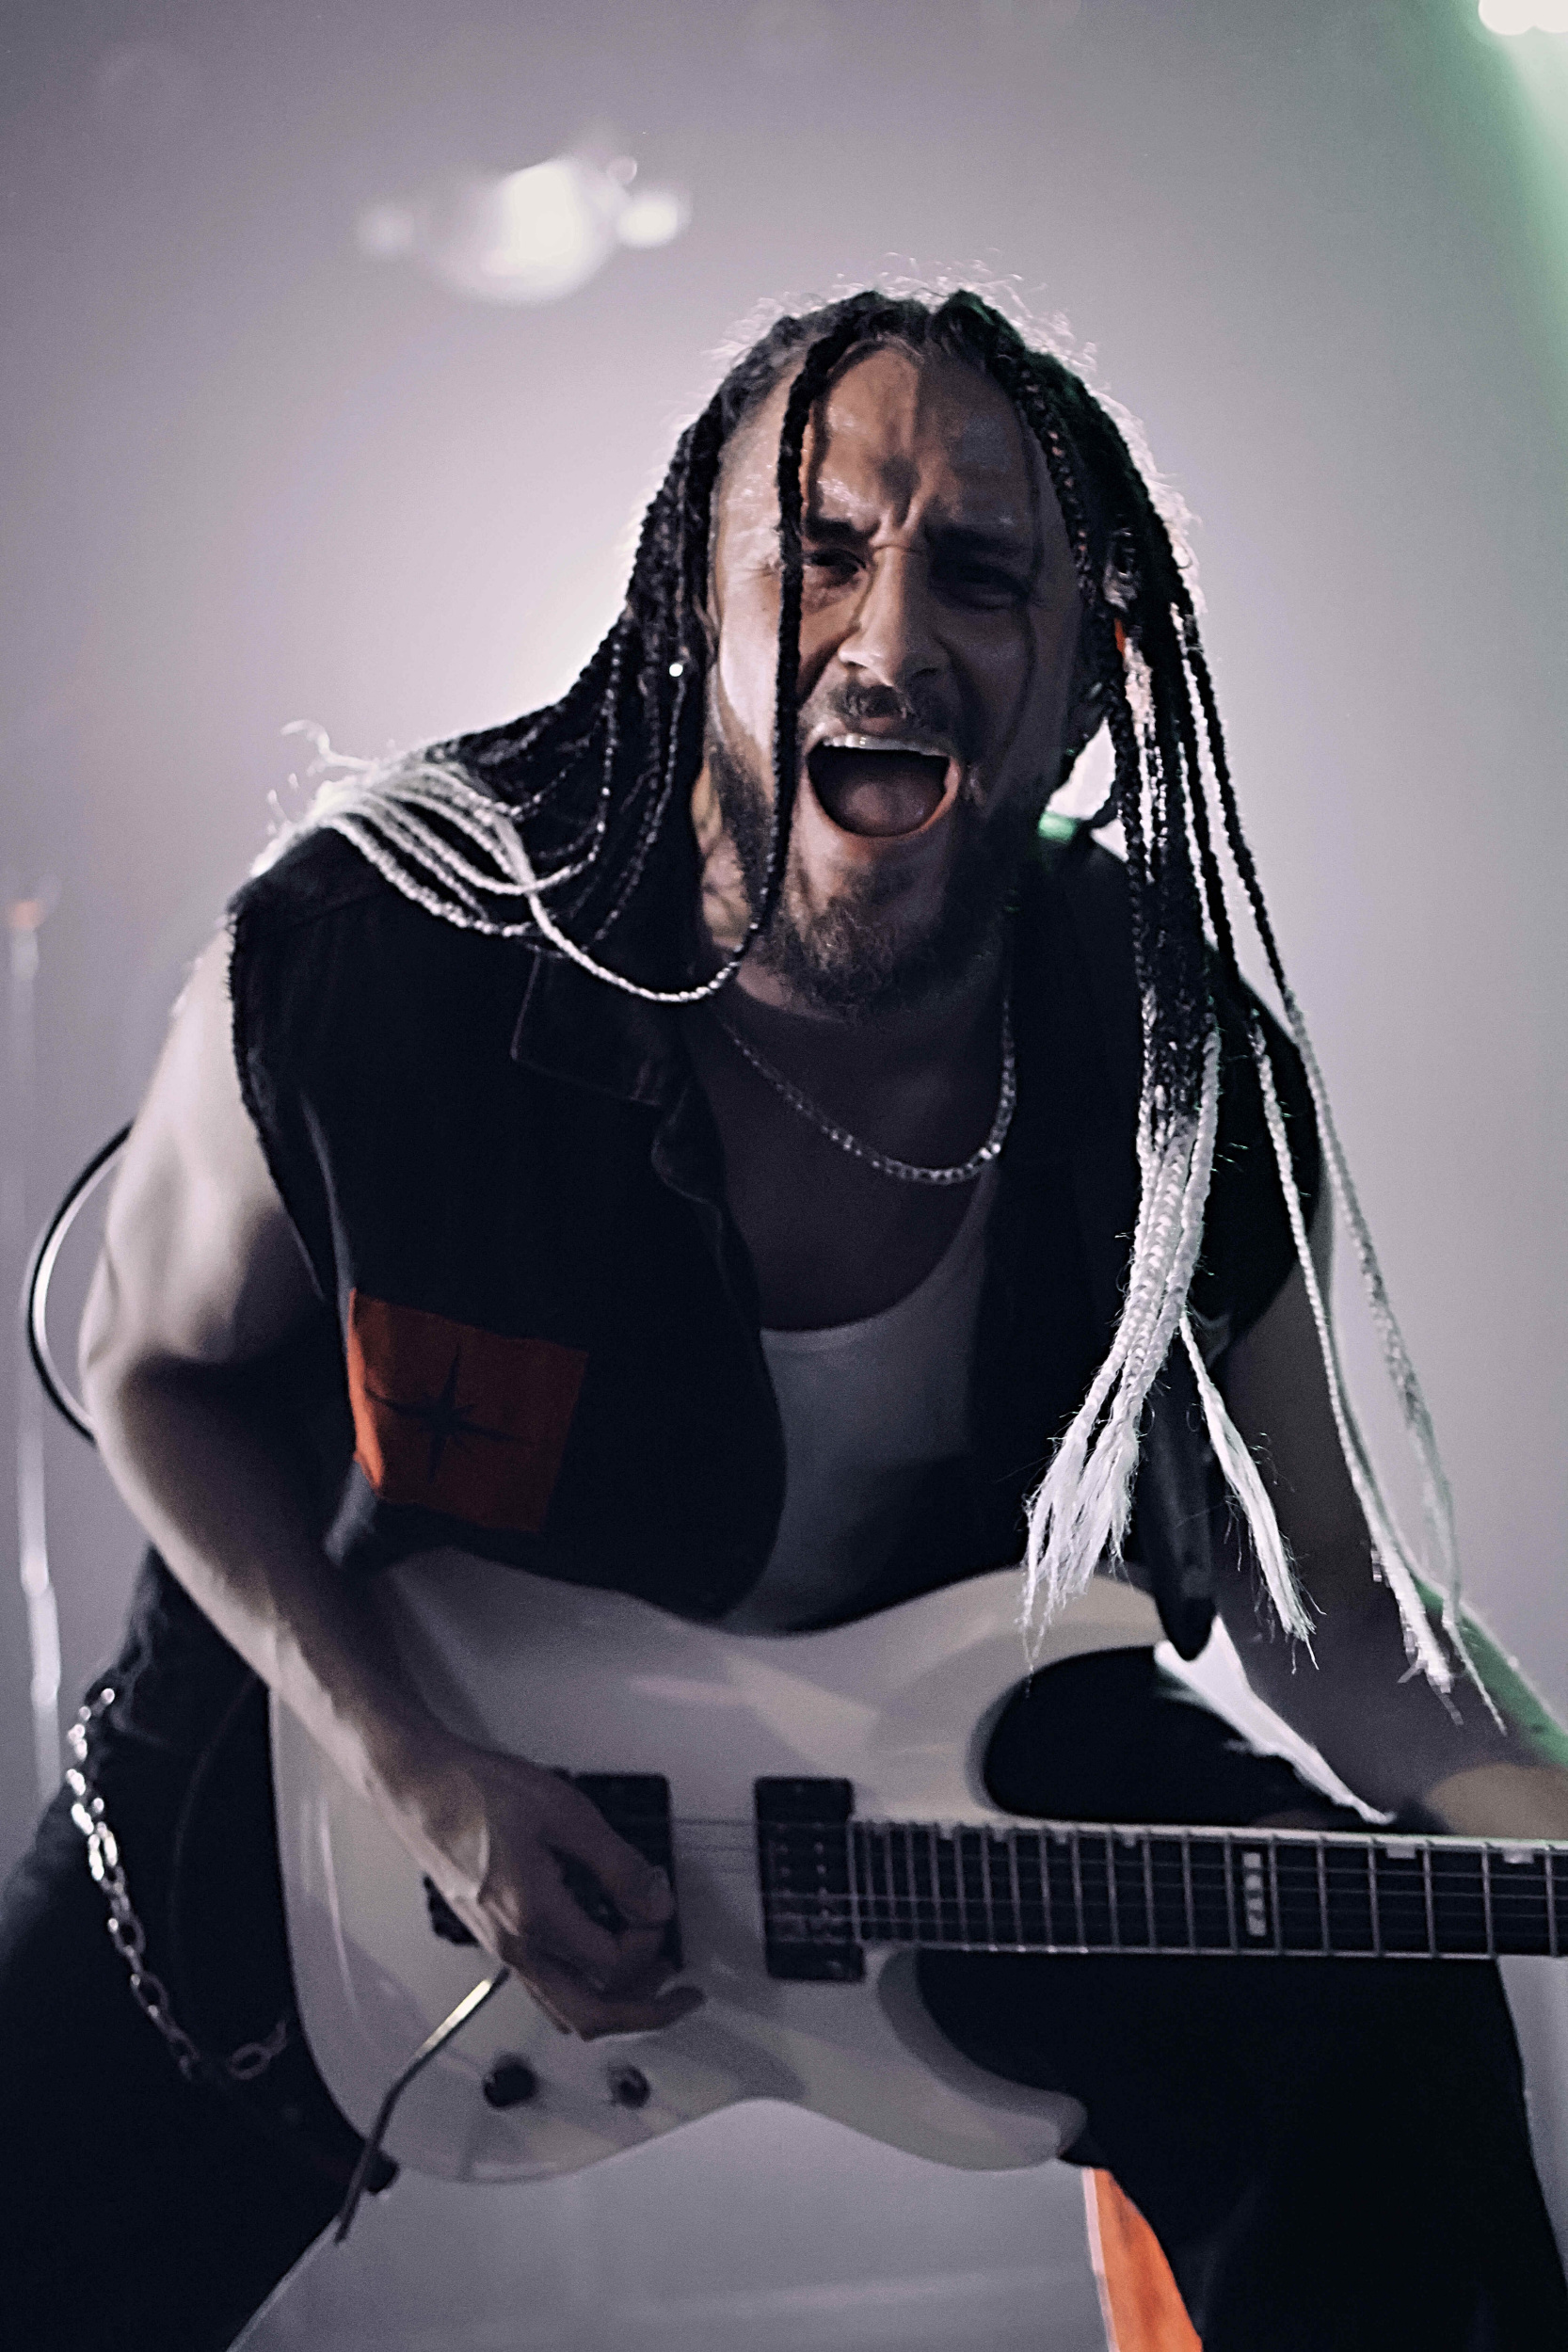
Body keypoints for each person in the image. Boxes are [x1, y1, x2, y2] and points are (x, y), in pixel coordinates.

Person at [3, 287, 1566, 2351]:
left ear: (1091, 685)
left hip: (944, 1767)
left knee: (1373, 2009)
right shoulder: (380, 950)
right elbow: (149, 1368)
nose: (889, 639)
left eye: (979, 575)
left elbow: (1338, 1618)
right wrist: (418, 1766)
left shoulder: (1167, 1051)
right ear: (691, 613)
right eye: (819, 551)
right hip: (331, 1768)